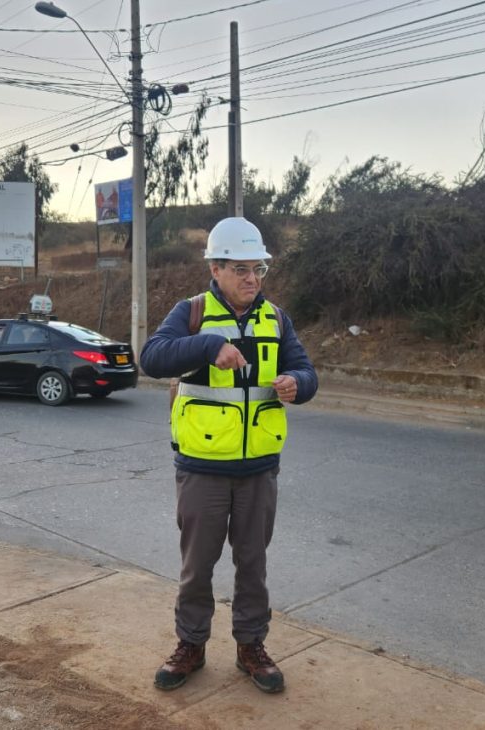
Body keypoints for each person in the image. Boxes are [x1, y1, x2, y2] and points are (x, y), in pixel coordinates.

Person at [140, 216, 317, 695]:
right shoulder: (191, 312)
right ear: (215, 268)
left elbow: (306, 371)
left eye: (257, 268)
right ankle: (191, 646)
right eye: (240, 268)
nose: (252, 278)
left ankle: (251, 647)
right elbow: (152, 357)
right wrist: (209, 345)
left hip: (259, 469)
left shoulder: (276, 318)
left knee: (253, 565)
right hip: (201, 468)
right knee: (197, 566)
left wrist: (296, 384)